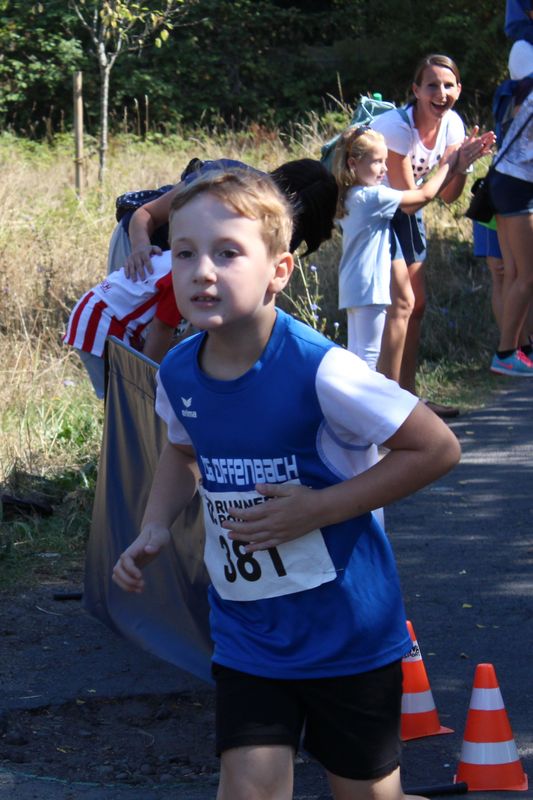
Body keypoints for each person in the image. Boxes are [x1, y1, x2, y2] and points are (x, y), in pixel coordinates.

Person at [112, 167, 461, 800]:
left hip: (347, 632)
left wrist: (318, 508)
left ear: (279, 271)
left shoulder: (323, 370)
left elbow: (437, 447)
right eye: (185, 253)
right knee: (248, 788)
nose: (202, 272)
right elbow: (183, 452)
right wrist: (156, 524)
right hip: (247, 634)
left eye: (228, 253)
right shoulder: (179, 372)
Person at [371, 54, 495, 415]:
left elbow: (449, 195)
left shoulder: (453, 124)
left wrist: (463, 165)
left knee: (418, 305)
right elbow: (410, 200)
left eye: (448, 85)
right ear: (416, 90)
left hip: (408, 206)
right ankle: (387, 404)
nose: (441, 93)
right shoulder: (396, 128)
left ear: (458, 89)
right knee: (401, 304)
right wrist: (449, 164)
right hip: (374, 212)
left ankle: (410, 398)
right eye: (432, 86)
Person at [332, 126, 480, 373]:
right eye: (377, 162)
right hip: (370, 287)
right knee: (368, 360)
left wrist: (455, 168)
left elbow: (421, 196)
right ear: (353, 163)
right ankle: (366, 399)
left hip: (352, 285)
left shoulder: (348, 195)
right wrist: (450, 163)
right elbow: (424, 195)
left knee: (357, 356)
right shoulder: (373, 197)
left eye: (385, 161)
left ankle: (351, 397)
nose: (384, 169)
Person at [119, 157, 338, 279]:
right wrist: (140, 248)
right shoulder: (218, 181)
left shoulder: (293, 226)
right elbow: (146, 214)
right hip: (141, 242)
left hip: (186, 262)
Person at [63, 251, 181, 399]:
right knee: (127, 401)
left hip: (100, 315)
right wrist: (144, 382)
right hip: (101, 322)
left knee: (130, 401)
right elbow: (162, 328)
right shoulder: (181, 275)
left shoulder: (180, 259)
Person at [488, 40, 533, 376]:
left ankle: (515, 351)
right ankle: (506, 353)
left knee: (516, 272)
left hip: (504, 181)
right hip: (519, 185)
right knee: (526, 275)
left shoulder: (521, 92)